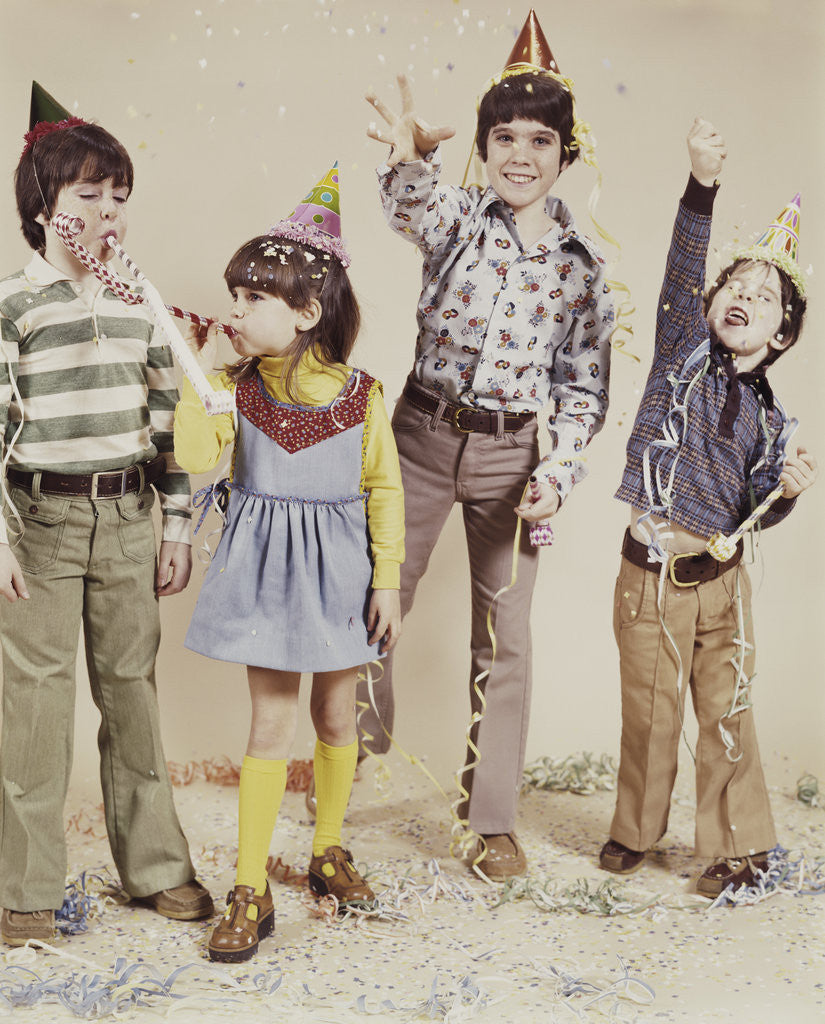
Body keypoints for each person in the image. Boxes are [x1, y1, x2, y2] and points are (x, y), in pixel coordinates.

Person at [357, 11, 613, 880]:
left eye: (539, 140)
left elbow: (582, 384)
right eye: (503, 136)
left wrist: (558, 469)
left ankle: (491, 816)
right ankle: (353, 734)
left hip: (514, 458)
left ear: (563, 155)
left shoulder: (581, 268)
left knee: (504, 638)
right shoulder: (459, 217)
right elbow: (410, 205)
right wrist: (405, 153)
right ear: (482, 145)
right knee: (371, 589)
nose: (519, 154)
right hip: (420, 439)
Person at [0, 83, 213, 948]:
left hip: (126, 517)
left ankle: (157, 868)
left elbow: (169, 421)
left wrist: (174, 525)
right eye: (87, 194)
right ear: (45, 203)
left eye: (118, 195)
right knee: (36, 708)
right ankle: (26, 890)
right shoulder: (14, 307)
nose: (106, 211)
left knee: (133, 695)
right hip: (42, 527)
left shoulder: (142, 304)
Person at [174, 165, 404, 962]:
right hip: (265, 577)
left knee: (335, 719)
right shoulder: (233, 389)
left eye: (252, 299)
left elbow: (382, 488)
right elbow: (194, 454)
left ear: (306, 312)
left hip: (340, 577)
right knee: (270, 724)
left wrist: (387, 581)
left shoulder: (363, 394)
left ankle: (327, 849)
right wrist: (204, 372)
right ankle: (249, 886)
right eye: (233, 296)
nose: (233, 311)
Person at [600, 118, 817, 897]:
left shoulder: (771, 420)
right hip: (650, 576)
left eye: (764, 298)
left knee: (728, 713)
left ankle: (735, 848)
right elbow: (684, 260)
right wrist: (702, 184)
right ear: (710, 300)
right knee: (651, 713)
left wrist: (783, 493)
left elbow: (757, 508)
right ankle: (634, 830)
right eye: (735, 287)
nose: (744, 299)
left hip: (718, 582)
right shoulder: (680, 353)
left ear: (781, 333)